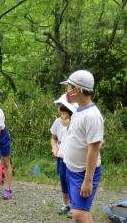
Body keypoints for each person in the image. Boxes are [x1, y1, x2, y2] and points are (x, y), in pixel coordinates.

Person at [60, 70, 104, 223]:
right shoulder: (78, 109)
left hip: (84, 173)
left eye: (69, 87)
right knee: (81, 211)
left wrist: (88, 180)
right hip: (72, 169)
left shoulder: (92, 115)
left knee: (78, 214)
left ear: (77, 90)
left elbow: (94, 148)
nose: (67, 91)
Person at [50, 94, 78, 218]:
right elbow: (53, 138)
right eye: (60, 111)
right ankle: (66, 204)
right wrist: (54, 149)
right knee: (63, 180)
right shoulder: (57, 122)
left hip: (72, 159)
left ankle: (75, 206)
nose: (62, 115)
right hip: (61, 158)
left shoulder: (76, 123)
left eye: (64, 112)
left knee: (72, 181)